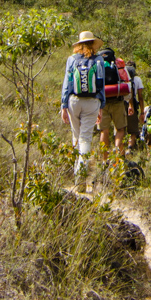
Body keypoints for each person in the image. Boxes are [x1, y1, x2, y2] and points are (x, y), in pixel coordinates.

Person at [60, 30, 104, 192]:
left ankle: (76, 174)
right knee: (85, 139)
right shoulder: (98, 60)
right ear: (93, 44)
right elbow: (101, 85)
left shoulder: (72, 60)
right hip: (92, 102)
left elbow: (67, 83)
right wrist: (101, 106)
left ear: (78, 45)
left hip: (74, 101)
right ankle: (80, 179)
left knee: (76, 137)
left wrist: (63, 105)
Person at [96, 47, 132, 161]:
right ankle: (118, 155)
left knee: (104, 131)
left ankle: (104, 160)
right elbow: (127, 84)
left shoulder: (97, 64)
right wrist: (129, 102)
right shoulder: (118, 64)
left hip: (102, 103)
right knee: (120, 129)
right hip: (117, 101)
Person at [125, 61, 144, 150]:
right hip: (132, 105)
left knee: (121, 128)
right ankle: (130, 147)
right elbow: (140, 97)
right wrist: (142, 111)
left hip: (120, 104)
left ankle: (120, 149)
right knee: (133, 129)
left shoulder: (122, 77)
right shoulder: (137, 79)